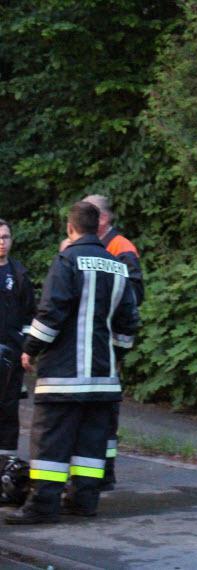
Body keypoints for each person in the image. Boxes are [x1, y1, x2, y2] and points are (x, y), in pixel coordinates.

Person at [5, 202, 139, 524]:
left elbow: (51, 313)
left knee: (51, 441)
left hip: (63, 376)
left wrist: (30, 349)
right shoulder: (117, 266)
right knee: (91, 443)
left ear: (70, 227)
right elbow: (128, 323)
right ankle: (83, 501)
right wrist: (115, 356)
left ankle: (43, 505)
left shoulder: (67, 260)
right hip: (103, 378)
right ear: (98, 227)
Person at [82, 194, 144, 490]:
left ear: (103, 218)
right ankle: (93, 470)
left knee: (105, 408)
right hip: (92, 340)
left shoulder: (121, 247)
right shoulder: (91, 246)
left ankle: (104, 471)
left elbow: (134, 296)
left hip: (107, 341)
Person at [0, 219, 36, 465]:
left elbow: (30, 315)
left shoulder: (19, 273)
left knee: (8, 408)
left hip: (11, 354)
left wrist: (27, 349)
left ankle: (5, 464)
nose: (1, 242)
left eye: (5, 237)